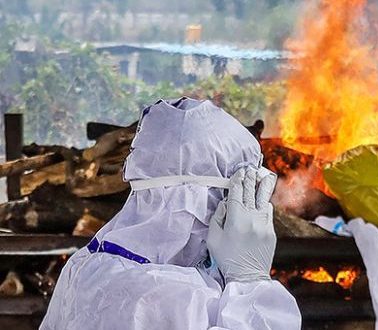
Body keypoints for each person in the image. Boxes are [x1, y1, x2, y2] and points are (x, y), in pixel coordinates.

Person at [40, 98, 301, 330]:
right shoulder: (173, 297)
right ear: (198, 199)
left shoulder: (86, 264)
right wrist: (250, 282)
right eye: (237, 197)